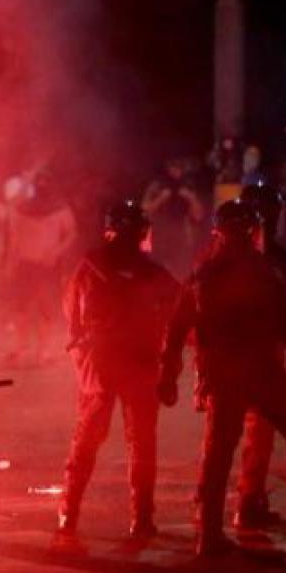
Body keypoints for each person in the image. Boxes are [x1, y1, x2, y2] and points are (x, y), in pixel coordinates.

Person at [159, 200, 286, 556]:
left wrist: (169, 374)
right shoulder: (263, 271)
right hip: (260, 372)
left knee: (219, 455)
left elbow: (176, 330)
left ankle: (209, 535)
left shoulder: (206, 275)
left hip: (228, 375)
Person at [53, 201, 179, 546]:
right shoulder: (151, 271)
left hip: (101, 364)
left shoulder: (89, 266)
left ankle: (69, 514)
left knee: (88, 438)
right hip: (138, 363)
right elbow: (181, 309)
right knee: (141, 443)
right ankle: (141, 520)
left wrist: (83, 357)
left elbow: (71, 314)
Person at [231, 183, 286, 529]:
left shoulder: (218, 255)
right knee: (271, 430)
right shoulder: (272, 260)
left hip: (234, 362)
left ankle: (245, 504)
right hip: (260, 362)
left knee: (233, 439)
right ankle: (249, 502)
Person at [2, 173, 78, 366]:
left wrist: (55, 252)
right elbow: (14, 239)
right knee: (22, 308)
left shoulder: (60, 210)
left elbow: (71, 234)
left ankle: (44, 351)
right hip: (25, 265)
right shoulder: (20, 209)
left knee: (46, 308)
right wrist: (11, 262)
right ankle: (21, 348)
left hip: (47, 267)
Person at [141, 159, 206, 279]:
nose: (177, 170)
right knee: (158, 272)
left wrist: (191, 198)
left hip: (181, 237)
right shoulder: (158, 185)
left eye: (180, 166)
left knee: (181, 272)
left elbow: (198, 215)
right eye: (173, 166)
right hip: (160, 236)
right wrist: (160, 199)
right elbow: (144, 209)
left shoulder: (188, 186)